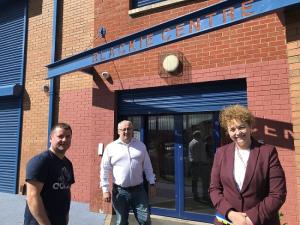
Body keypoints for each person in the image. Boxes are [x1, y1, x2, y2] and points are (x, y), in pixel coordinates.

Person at [209, 105, 286, 225]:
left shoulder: (268, 152)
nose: (237, 133)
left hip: (260, 221)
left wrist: (250, 219)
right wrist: (231, 214)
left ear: (250, 127)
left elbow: (277, 193)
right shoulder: (221, 153)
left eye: (241, 127)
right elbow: (214, 189)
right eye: (232, 129)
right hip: (228, 221)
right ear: (228, 132)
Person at [100, 120, 156, 225]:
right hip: (120, 192)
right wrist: (105, 190)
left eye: (129, 129)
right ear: (118, 131)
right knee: (121, 221)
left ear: (132, 130)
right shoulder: (111, 148)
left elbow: (148, 167)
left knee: (145, 220)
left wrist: (152, 183)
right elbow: (105, 170)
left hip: (139, 191)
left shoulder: (141, 146)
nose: (126, 131)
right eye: (123, 129)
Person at [24, 122, 75, 225]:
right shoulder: (40, 161)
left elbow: (66, 191)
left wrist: (66, 217)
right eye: (60, 136)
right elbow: (32, 197)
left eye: (68, 136)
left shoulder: (68, 163)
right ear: (51, 138)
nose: (64, 140)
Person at [188, 130, 210, 202]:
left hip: (193, 163)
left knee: (194, 180)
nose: (202, 135)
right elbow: (201, 155)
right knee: (204, 180)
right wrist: (206, 161)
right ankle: (205, 195)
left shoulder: (191, 142)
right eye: (200, 134)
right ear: (198, 135)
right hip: (200, 164)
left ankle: (195, 195)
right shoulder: (199, 143)